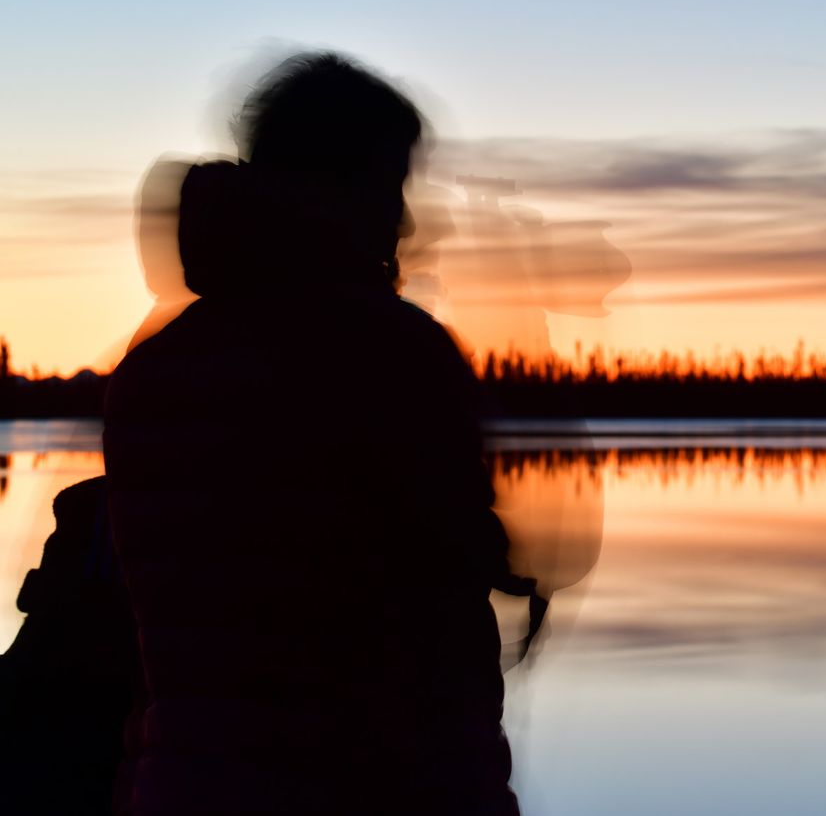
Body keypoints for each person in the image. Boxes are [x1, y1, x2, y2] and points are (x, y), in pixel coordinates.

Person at [103, 53, 520, 815]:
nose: (407, 220)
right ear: (340, 190)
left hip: (188, 788)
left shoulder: (155, 370)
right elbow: (434, 570)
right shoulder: (391, 353)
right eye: (392, 185)